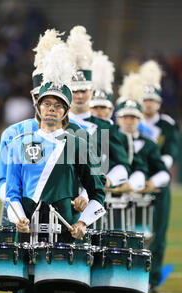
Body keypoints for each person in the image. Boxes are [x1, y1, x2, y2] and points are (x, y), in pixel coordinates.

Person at [5, 44, 106, 293]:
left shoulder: (80, 144)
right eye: (46, 103)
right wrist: (17, 217)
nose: (51, 108)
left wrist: (83, 222)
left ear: (66, 111)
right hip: (27, 231)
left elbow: (99, 194)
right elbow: (12, 193)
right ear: (38, 107)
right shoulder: (19, 142)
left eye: (58, 105)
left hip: (65, 232)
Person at [0, 29, 89, 226]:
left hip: (66, 216)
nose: (47, 107)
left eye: (56, 102)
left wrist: (85, 198)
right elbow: (1, 181)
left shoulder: (80, 134)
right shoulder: (13, 133)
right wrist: (18, 210)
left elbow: (95, 179)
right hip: (19, 213)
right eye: (42, 99)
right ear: (34, 98)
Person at [66, 26, 141, 190]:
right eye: (74, 91)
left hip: (93, 201)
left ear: (91, 92)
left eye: (83, 90)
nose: (79, 95)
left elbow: (122, 166)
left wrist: (108, 180)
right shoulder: (57, 124)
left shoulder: (104, 127)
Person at [139, 60, 179, 293]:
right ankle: (130, 273)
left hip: (158, 183)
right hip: (132, 184)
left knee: (158, 231)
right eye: (145, 99)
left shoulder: (167, 124)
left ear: (160, 102)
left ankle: (153, 279)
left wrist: (154, 175)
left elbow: (170, 154)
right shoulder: (130, 119)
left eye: (153, 100)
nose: (149, 104)